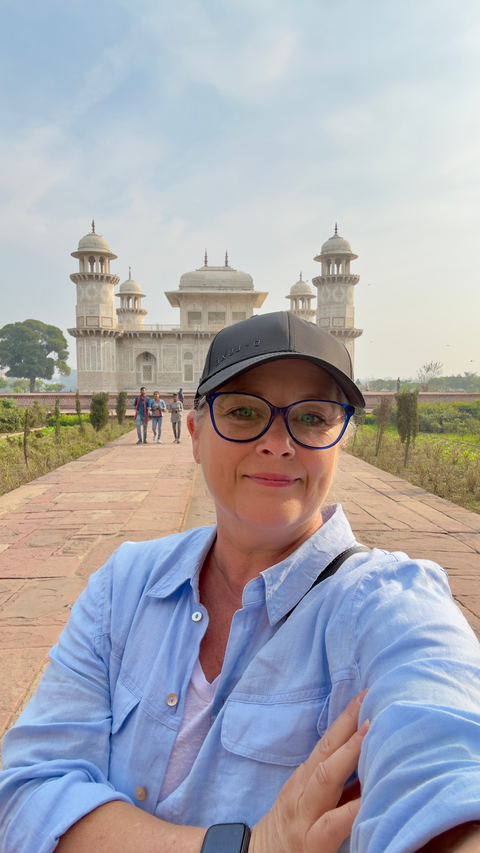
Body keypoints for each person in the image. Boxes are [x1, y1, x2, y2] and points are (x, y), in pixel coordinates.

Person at [1, 311, 480, 853]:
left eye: (313, 417)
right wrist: (249, 846)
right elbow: (24, 793)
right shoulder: (126, 585)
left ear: (343, 439)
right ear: (196, 433)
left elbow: (445, 771)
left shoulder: (388, 603)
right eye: (244, 411)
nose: (278, 444)